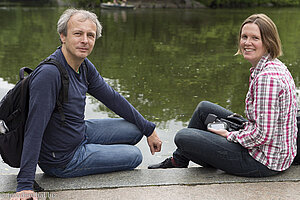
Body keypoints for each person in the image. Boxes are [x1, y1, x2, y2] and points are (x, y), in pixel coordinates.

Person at [11, 8, 162, 200]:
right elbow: (34, 128)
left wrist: (149, 129)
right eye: (78, 33)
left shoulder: (83, 65)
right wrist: (24, 184)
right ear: (63, 36)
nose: (85, 40)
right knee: (135, 155)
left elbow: (113, 99)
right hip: (62, 158)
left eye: (90, 35)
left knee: (136, 129)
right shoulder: (50, 74)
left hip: (78, 132)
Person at [148, 14, 298, 178]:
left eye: (255, 38)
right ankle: (178, 161)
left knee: (183, 137)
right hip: (272, 149)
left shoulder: (267, 79)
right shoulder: (272, 65)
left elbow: (262, 135)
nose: (247, 43)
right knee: (204, 109)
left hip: (263, 161)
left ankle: (181, 157)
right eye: (244, 36)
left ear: (268, 42)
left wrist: (230, 135)